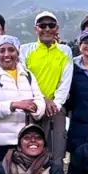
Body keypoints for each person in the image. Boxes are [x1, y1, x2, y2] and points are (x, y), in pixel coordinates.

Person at [0, 34, 46, 174]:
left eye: (11, 50)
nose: (7, 55)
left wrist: (35, 108)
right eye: (2, 51)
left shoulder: (27, 74)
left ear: (18, 52)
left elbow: (39, 100)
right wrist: (15, 105)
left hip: (22, 143)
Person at [21, 11, 75, 162]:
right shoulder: (25, 50)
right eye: (42, 25)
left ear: (56, 28)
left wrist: (56, 104)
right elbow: (24, 79)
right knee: (30, 155)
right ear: (35, 29)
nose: (46, 29)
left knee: (56, 155)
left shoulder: (65, 51)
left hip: (55, 110)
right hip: (31, 107)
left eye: (51, 25)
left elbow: (65, 81)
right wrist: (43, 100)